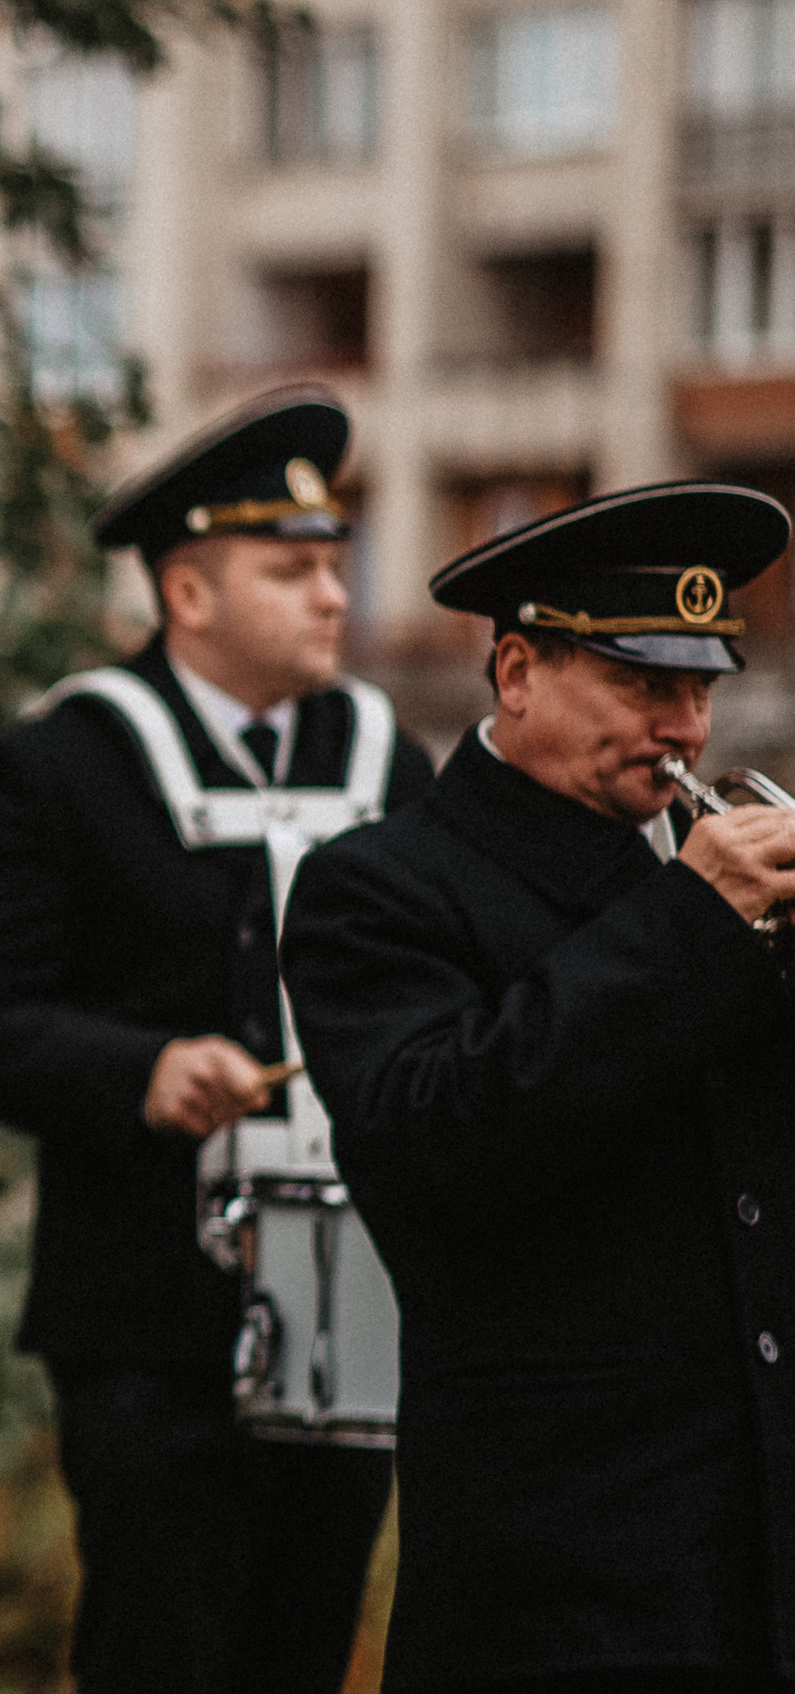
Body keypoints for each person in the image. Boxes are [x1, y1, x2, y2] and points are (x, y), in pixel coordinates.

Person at [0, 385, 434, 1692]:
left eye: (335, 564)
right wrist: (142, 1071)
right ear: (189, 592)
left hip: (353, 1295)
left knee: (306, 1648)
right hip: (149, 1315)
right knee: (161, 1651)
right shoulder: (57, 763)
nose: (333, 595)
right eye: (292, 571)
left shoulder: (388, 760)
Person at [280, 482, 795, 1694]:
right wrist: (692, 923)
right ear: (516, 672)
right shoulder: (381, 885)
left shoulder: (710, 888)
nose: (683, 727)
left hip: (757, 1563)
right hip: (559, 1576)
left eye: (701, 689)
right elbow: (435, 1145)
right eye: (641, 683)